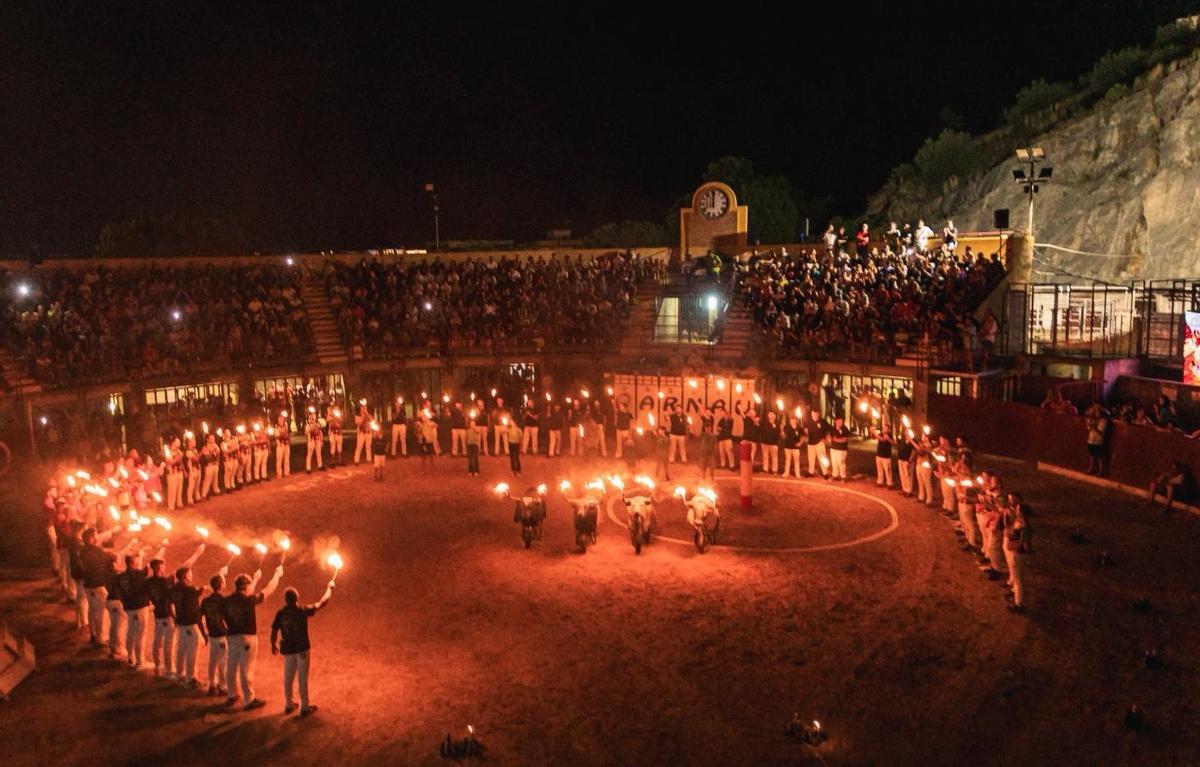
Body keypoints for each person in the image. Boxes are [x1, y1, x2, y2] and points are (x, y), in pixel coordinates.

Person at [223, 564, 285, 710]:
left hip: (232, 637)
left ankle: (231, 693)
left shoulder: (227, 600)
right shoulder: (248, 600)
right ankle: (249, 700)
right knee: (246, 669)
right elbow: (268, 590)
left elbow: (245, 593)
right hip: (247, 639)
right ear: (246, 587)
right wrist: (277, 575)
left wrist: (256, 578)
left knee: (231, 666)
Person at [271, 581, 335, 716]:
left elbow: (274, 629)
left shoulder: (281, 613)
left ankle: (289, 704)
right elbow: (321, 603)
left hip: (288, 650)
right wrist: (329, 589)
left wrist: (273, 644)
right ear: (297, 598)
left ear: (286, 599)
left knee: (288, 677)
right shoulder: (302, 611)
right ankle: (304, 707)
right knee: (302, 678)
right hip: (302, 650)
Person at [170, 562, 225, 687]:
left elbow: (169, 603)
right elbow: (199, 590)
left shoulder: (173, 589)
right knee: (192, 650)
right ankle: (191, 678)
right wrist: (217, 580)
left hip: (181, 623)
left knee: (181, 648)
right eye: (190, 573)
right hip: (190, 623)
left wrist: (174, 617)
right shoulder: (189, 589)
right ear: (185, 576)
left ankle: (180, 674)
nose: (191, 575)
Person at [1003, 493, 1033, 613]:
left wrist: (1013, 536)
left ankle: (1019, 604)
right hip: (1016, 552)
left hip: (1018, 553)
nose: (1017, 510)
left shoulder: (1023, 525)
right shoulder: (1020, 522)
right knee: (1017, 578)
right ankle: (1016, 597)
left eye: (1019, 510)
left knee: (1019, 579)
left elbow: (1024, 542)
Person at [200, 574, 229, 695]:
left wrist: (204, 633)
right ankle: (223, 687)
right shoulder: (223, 601)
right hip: (222, 635)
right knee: (222, 661)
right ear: (221, 585)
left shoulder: (206, 601)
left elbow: (198, 618)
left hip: (211, 635)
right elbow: (228, 619)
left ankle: (212, 685)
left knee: (213, 660)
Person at [1084, 404, 1110, 476]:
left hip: (1098, 441)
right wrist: (1090, 424)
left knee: (1100, 457)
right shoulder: (1093, 419)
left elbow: (1101, 432)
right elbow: (1089, 429)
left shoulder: (1103, 421)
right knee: (1091, 455)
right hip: (1091, 439)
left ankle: (1101, 471)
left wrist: (1094, 426)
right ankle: (1091, 469)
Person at [805, 411, 830, 479]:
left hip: (820, 442)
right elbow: (805, 431)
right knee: (811, 459)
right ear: (811, 414)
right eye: (813, 414)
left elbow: (828, 429)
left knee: (822, 458)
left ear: (818, 414)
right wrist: (805, 432)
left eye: (816, 414)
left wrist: (826, 437)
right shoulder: (808, 421)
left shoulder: (822, 421)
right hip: (810, 443)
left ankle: (825, 473)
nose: (814, 416)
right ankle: (811, 472)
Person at [781, 413, 803, 479]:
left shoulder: (799, 428)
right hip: (787, 446)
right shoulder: (786, 427)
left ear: (796, 420)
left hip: (796, 447)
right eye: (791, 419)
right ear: (790, 420)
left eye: (793, 419)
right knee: (787, 460)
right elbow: (783, 437)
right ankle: (786, 473)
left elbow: (802, 436)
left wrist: (800, 443)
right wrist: (782, 431)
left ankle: (797, 474)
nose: (792, 421)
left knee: (796, 461)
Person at [200, 433, 222, 499]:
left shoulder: (216, 445)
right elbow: (207, 457)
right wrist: (212, 452)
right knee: (207, 479)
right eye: (211, 438)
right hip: (209, 465)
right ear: (207, 439)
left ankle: (216, 490)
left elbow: (218, 454)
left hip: (215, 464)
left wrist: (216, 455)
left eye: (213, 438)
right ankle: (204, 493)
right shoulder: (205, 447)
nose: (213, 439)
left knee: (215, 478)